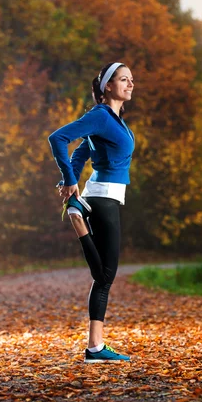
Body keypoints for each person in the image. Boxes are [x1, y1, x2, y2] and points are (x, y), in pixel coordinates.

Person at [48, 61, 135, 363]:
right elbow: (58, 138)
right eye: (123, 79)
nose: (130, 84)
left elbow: (80, 151)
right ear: (108, 86)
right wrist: (70, 179)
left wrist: (69, 181)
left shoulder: (113, 120)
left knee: (104, 275)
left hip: (101, 197)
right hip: (103, 198)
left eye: (131, 80)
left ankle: (95, 347)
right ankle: (95, 347)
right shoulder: (100, 116)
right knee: (105, 275)